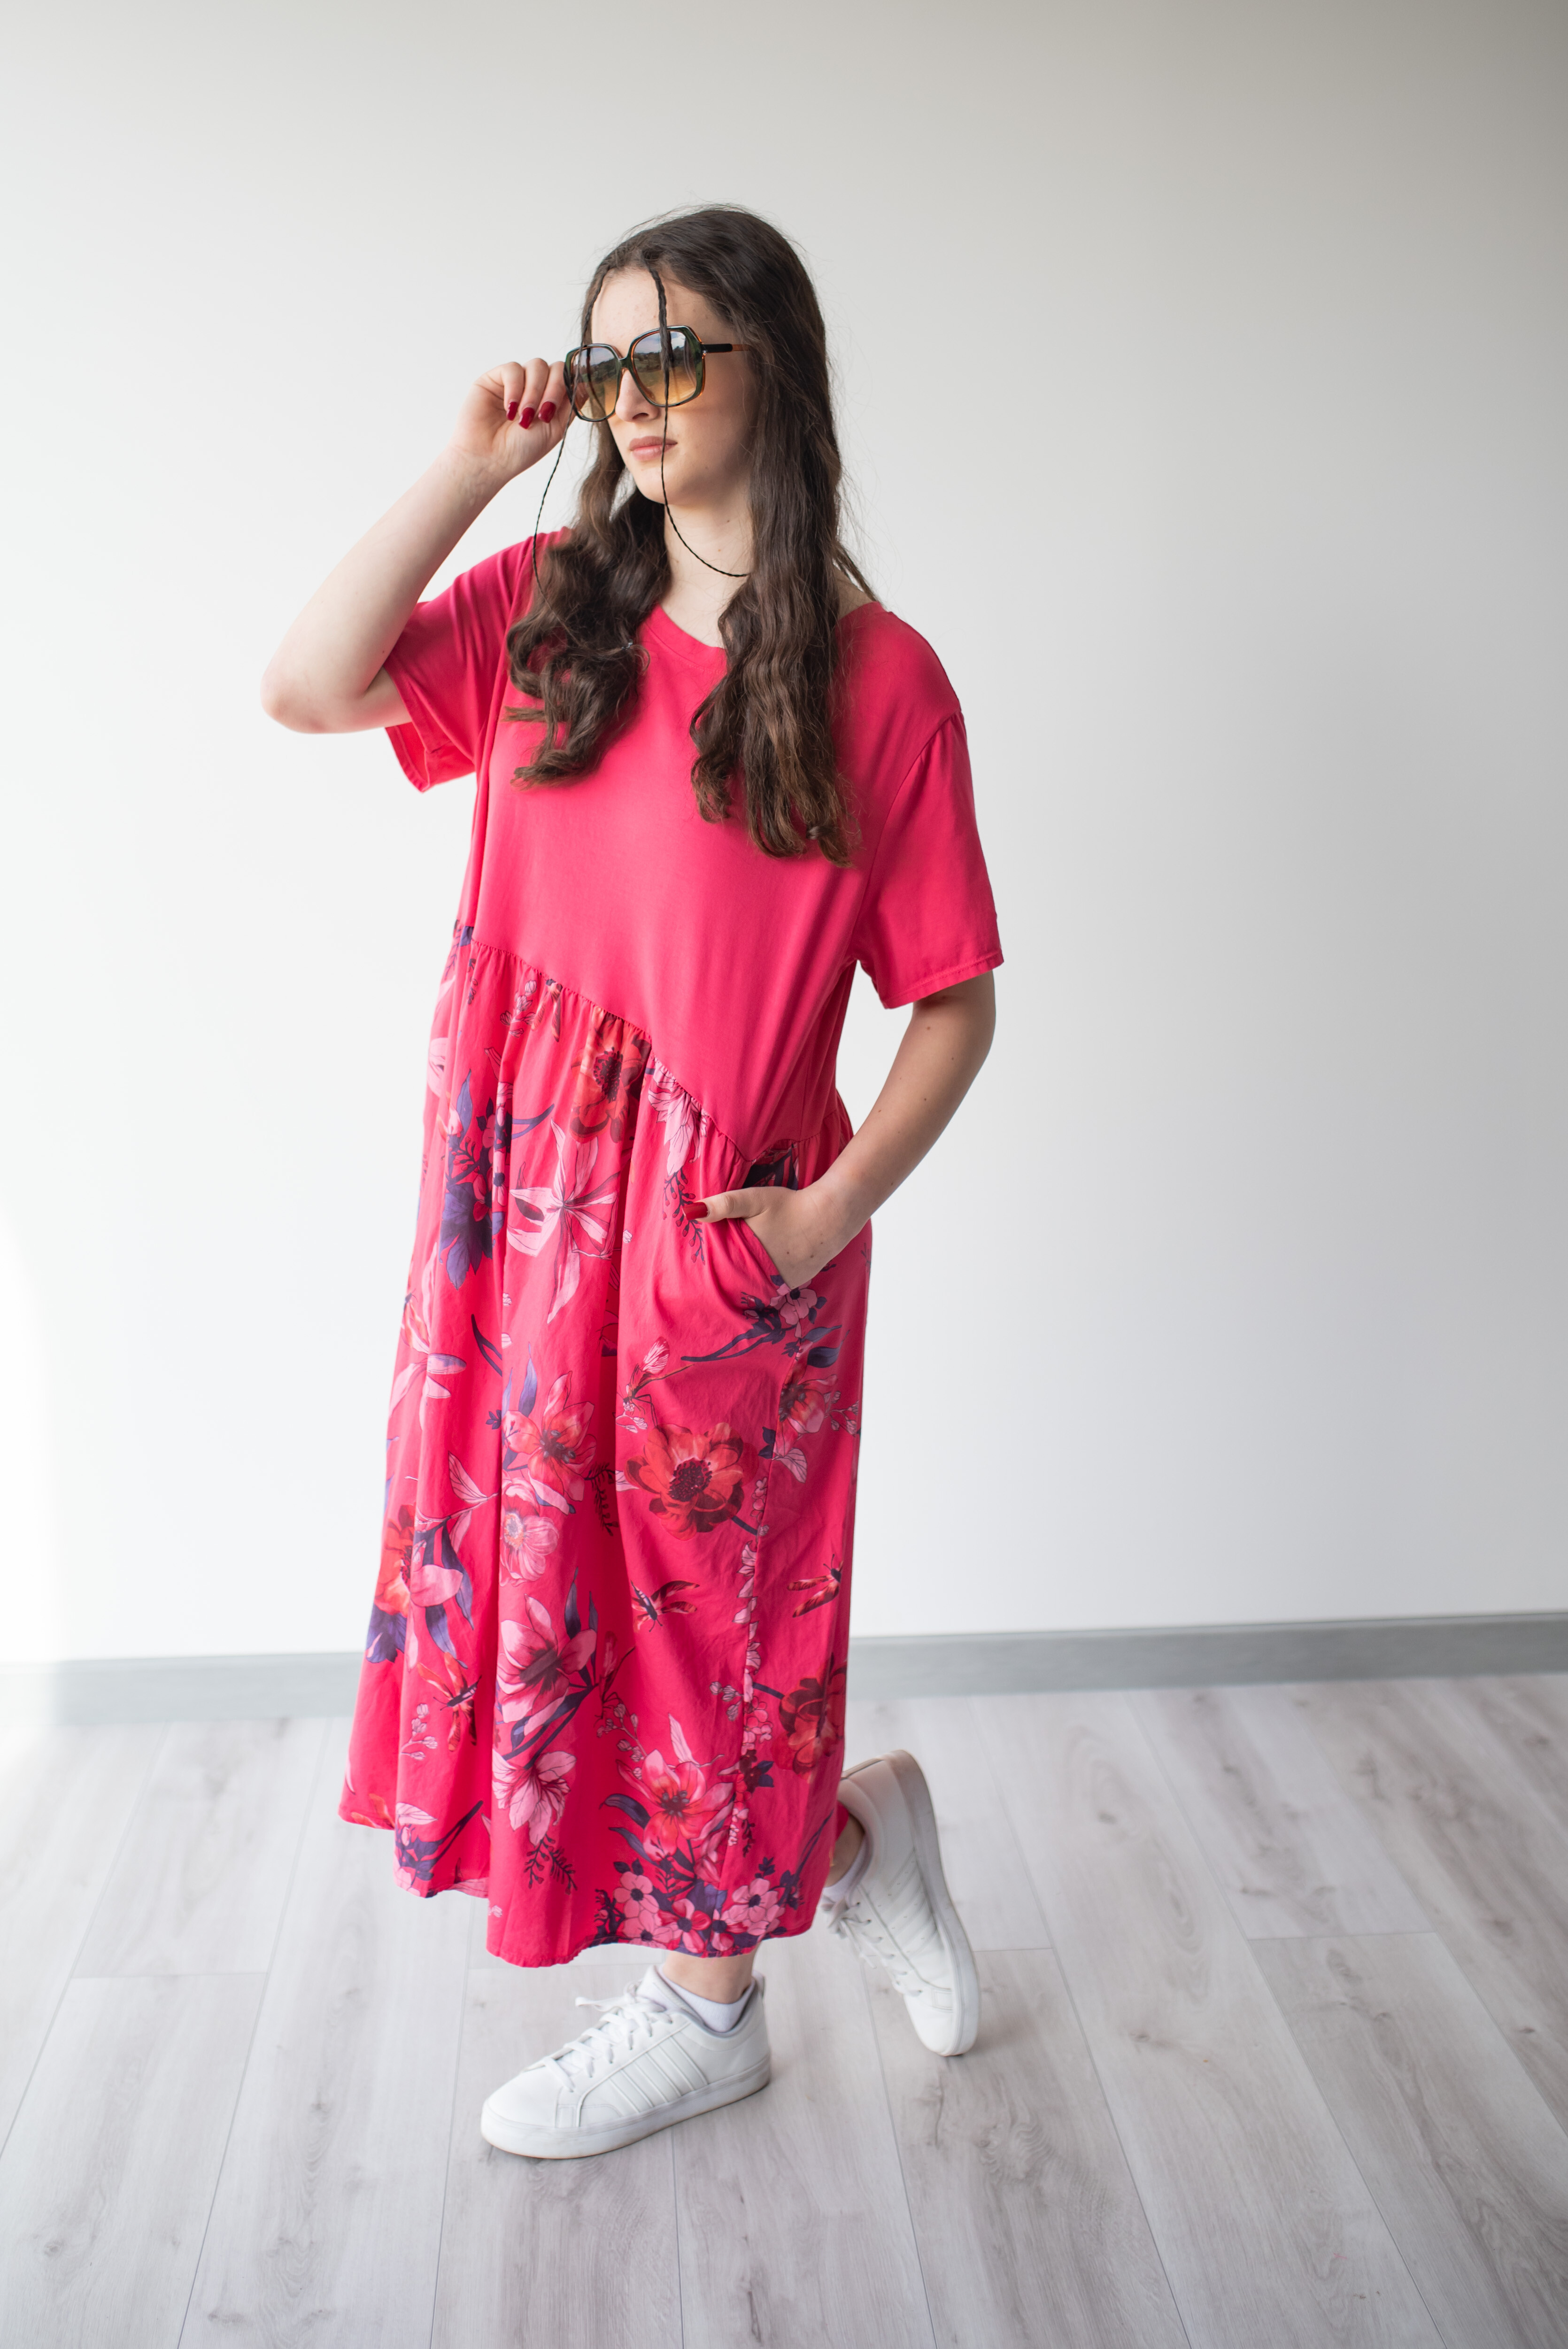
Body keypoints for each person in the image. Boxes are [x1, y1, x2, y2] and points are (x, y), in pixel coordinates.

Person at [261, 203, 1002, 2161]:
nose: (634, 399)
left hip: (721, 1227)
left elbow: (953, 1004)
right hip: (516, 1213)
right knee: (562, 1616)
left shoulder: (882, 685)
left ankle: (707, 2016)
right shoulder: (550, 613)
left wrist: (825, 1215)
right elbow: (308, 684)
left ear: (777, 367)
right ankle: (850, 1852)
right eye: (608, 364)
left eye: (672, 352)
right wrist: (469, 465)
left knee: (705, 1639)